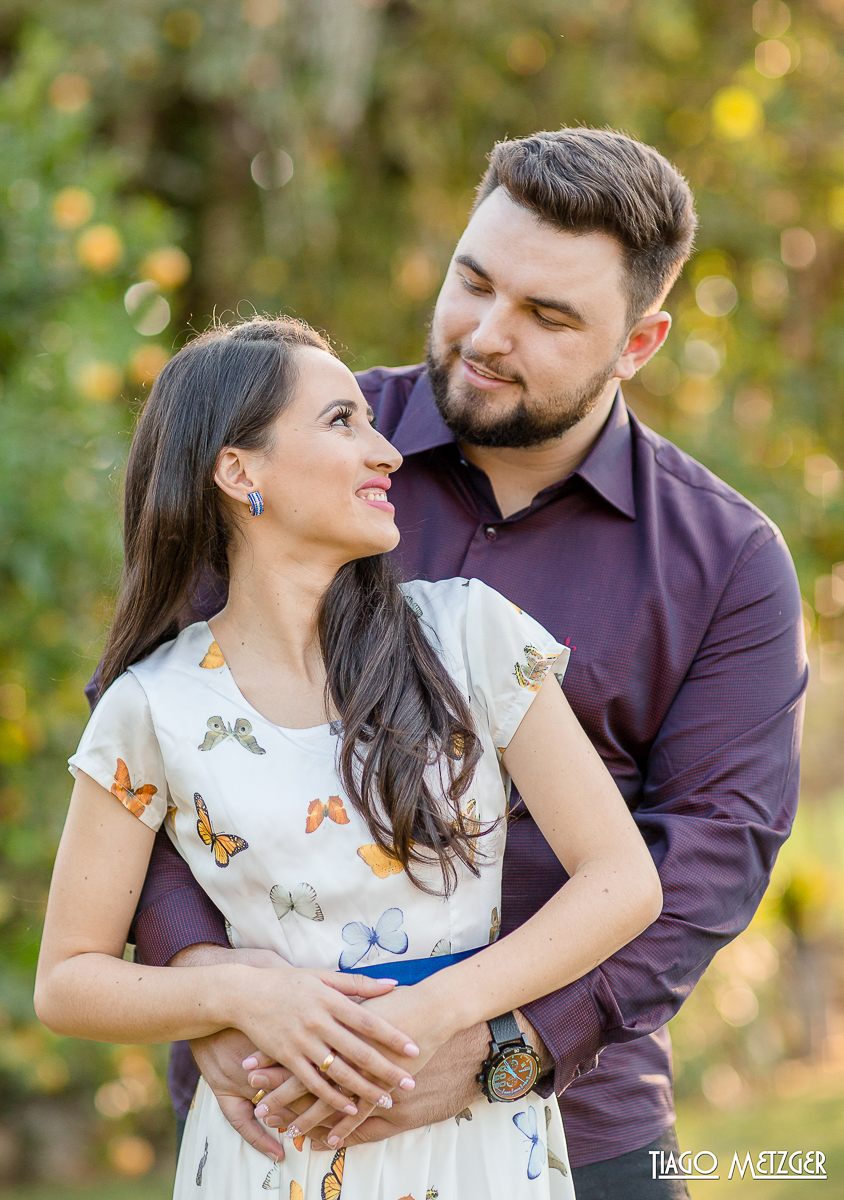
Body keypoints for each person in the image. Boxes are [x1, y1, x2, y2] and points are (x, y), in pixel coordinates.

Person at [98, 129, 807, 1198]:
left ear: (640, 343)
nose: (485, 334)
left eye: (548, 315)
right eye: (473, 280)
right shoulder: (295, 447)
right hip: (282, 1109)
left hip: (582, 1116)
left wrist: (494, 1051)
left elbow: (709, 860)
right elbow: (142, 720)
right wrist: (206, 982)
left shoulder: (728, 564)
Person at [36, 315, 663, 1198]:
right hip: (271, 1155)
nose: (389, 453)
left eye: (371, 421)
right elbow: (68, 981)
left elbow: (623, 880)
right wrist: (239, 998)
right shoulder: (153, 705)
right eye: (342, 422)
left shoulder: (472, 635)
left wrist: (439, 1010)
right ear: (238, 471)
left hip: (477, 1143)